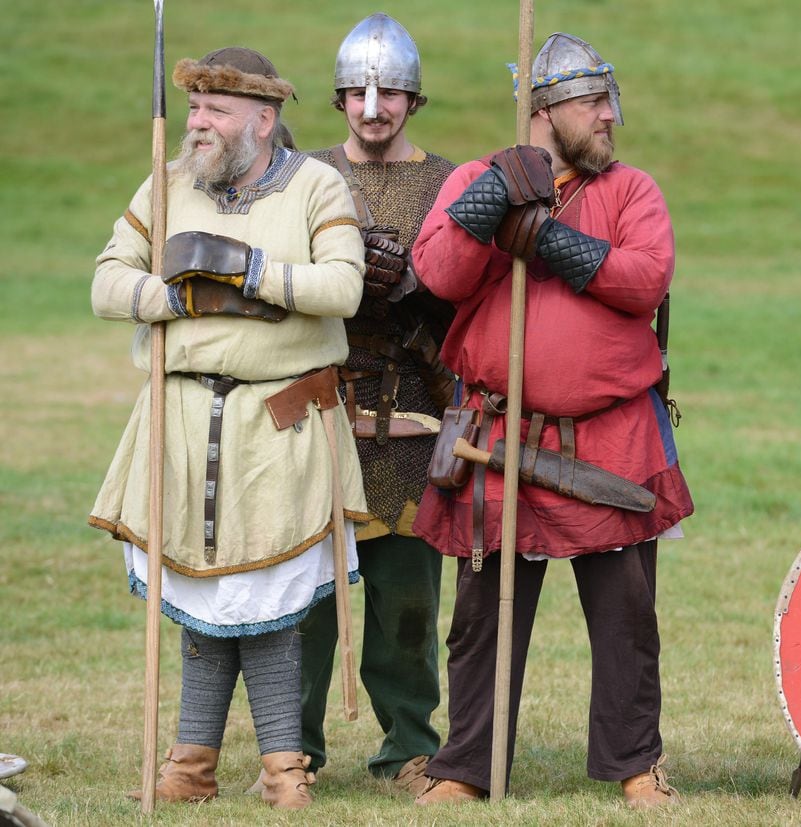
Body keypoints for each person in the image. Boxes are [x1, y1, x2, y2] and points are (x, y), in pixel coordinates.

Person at [408, 32, 694, 809]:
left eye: (610, 100)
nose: (610, 117)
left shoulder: (633, 190)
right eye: (594, 103)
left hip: (608, 435)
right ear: (544, 110)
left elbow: (644, 279)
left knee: (627, 614)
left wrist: (550, 239)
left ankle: (637, 764)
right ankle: (466, 765)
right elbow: (437, 273)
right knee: (482, 615)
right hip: (498, 434)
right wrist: (495, 199)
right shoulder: (480, 179)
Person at [89, 46, 368, 811]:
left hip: (279, 423)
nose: (198, 122)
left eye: (215, 109)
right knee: (205, 600)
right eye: (195, 107)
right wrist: (180, 299)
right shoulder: (170, 184)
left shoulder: (315, 185)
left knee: (263, 598)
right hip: (179, 420)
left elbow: (343, 286)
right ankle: (191, 764)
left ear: (264, 119)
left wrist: (250, 275)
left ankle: (284, 767)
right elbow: (107, 280)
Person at [297, 13, 457, 796]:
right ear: (337, 98)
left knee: (407, 604)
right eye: (358, 92)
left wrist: (420, 285)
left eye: (389, 91)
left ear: (413, 99)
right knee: (303, 597)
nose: (372, 107)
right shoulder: (300, 175)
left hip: (411, 418)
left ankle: (409, 747)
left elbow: (473, 293)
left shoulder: (451, 182)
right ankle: (289, 746)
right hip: (316, 411)